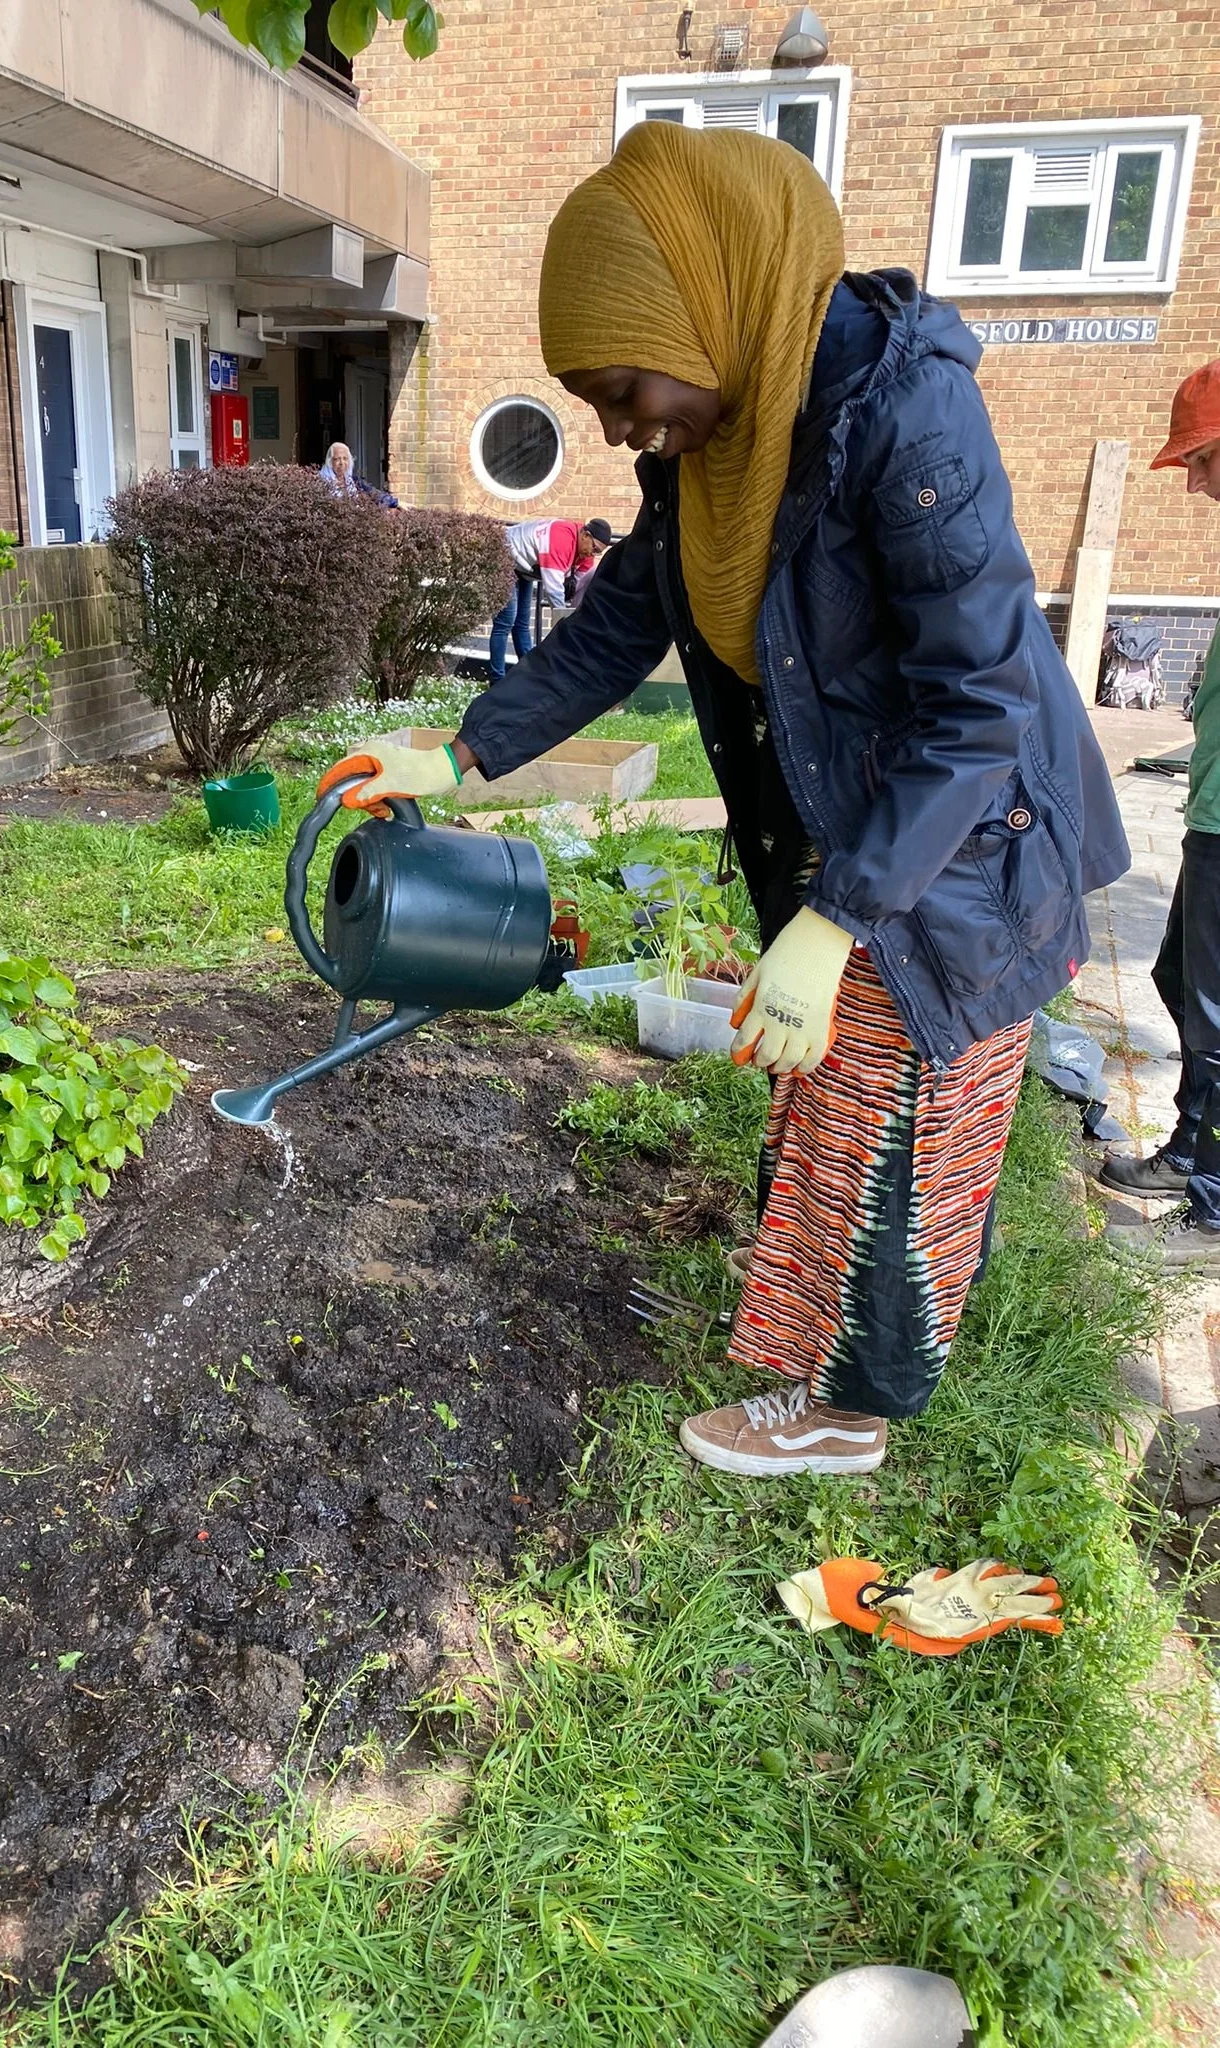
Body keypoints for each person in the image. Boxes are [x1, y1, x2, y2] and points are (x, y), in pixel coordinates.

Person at [318, 123, 1127, 1479]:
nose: (622, 428)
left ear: (711, 306)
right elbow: (616, 624)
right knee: (843, 1100)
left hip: (964, 840)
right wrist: (458, 756)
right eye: (598, 404)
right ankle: (844, 1342)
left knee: (886, 1114)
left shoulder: (902, 413)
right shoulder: (715, 447)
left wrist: (838, 916)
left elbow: (982, 704)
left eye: (627, 389)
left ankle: (847, 1413)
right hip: (869, 822)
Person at [1099, 360, 1220, 1262]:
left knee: (1216, 1009)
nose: (1197, 482)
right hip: (1209, 815)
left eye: (1207, 457)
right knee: (1180, 986)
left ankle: (1212, 1201)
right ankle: (1191, 1150)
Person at [488, 516, 613, 681]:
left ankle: (528, 677)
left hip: (524, 568)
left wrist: (576, 619)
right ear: (585, 535)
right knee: (506, 621)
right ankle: (497, 680)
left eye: (598, 552)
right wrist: (564, 623)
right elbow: (554, 590)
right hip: (504, 556)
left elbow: (579, 589)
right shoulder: (561, 539)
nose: (593, 553)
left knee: (522, 624)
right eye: (595, 548)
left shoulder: (586, 554)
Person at [318, 442, 399, 508]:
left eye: (345, 458)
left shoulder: (353, 480)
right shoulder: (321, 481)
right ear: (330, 462)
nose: (342, 463)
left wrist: (396, 503)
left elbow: (373, 493)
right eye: (337, 459)